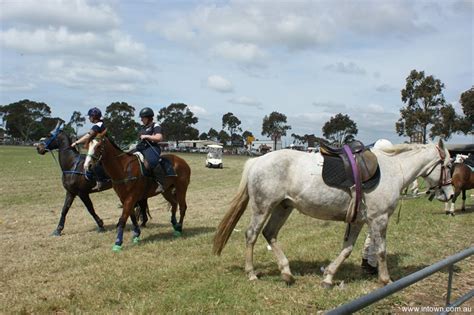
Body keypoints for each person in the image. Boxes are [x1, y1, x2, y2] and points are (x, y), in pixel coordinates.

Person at [71, 107, 108, 191]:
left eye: (90, 116)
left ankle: (100, 181)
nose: (89, 118)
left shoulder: (97, 125)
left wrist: (76, 142)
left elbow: (88, 135)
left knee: (93, 165)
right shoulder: (100, 124)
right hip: (101, 147)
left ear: (94, 117)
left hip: (101, 148)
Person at [136, 107, 164, 193]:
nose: (141, 120)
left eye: (143, 118)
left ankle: (161, 183)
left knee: (151, 161)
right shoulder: (143, 128)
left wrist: (147, 136)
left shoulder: (155, 126)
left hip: (152, 147)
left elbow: (159, 137)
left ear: (148, 118)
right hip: (141, 147)